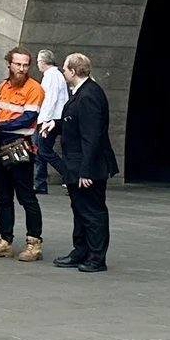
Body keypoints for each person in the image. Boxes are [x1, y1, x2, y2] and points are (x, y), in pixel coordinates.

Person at [0, 46, 46, 261]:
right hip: (0, 146)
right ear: (9, 64)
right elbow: (3, 112)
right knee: (3, 196)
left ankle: (34, 243)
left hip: (20, 147)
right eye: (18, 64)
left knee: (27, 197)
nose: (22, 68)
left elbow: (27, 119)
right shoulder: (3, 86)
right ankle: (5, 240)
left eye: (26, 65)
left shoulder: (34, 88)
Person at [52, 51, 115, 272]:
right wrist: (57, 124)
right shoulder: (82, 93)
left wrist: (86, 171)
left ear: (73, 71)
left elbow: (92, 135)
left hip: (87, 166)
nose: (63, 71)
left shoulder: (89, 95)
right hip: (78, 165)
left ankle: (96, 257)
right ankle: (81, 251)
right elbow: (76, 123)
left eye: (65, 68)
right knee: (80, 210)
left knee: (92, 212)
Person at [34, 49, 68, 196]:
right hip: (50, 118)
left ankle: (68, 175)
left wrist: (44, 120)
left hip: (51, 119)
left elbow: (50, 99)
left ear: (42, 62)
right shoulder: (52, 75)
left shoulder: (52, 76)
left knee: (44, 150)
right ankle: (40, 184)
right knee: (40, 151)